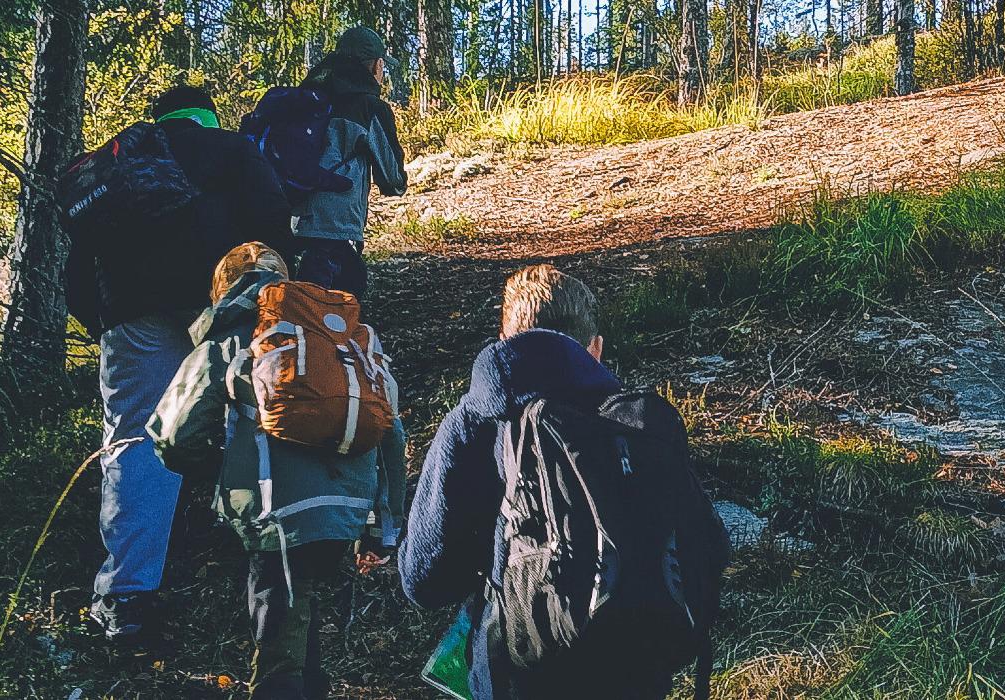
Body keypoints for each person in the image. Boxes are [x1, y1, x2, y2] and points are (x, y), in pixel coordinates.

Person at [399, 265, 723, 699]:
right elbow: (709, 544)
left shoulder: (475, 422)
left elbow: (423, 578)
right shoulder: (631, 423)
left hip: (519, 671)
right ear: (596, 349)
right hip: (634, 665)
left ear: (503, 342)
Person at [66, 84, 295, 647]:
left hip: (131, 315)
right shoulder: (233, 149)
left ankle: (125, 598)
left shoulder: (119, 165)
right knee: (252, 418)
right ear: (207, 116)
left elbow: (77, 270)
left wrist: (104, 324)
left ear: (158, 119)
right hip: (222, 304)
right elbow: (274, 226)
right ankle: (268, 559)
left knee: (132, 439)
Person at [147, 242, 408, 699]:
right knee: (297, 608)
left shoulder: (229, 340)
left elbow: (173, 436)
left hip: (276, 511)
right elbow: (391, 432)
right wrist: (384, 524)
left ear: (222, 287)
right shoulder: (342, 338)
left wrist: (219, 470)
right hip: (348, 505)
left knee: (277, 629)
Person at [290, 26, 408, 298]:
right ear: (374, 66)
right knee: (337, 308)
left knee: (303, 303)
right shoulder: (368, 107)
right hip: (336, 227)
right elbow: (394, 181)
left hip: (292, 219)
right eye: (381, 65)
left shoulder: (306, 97)